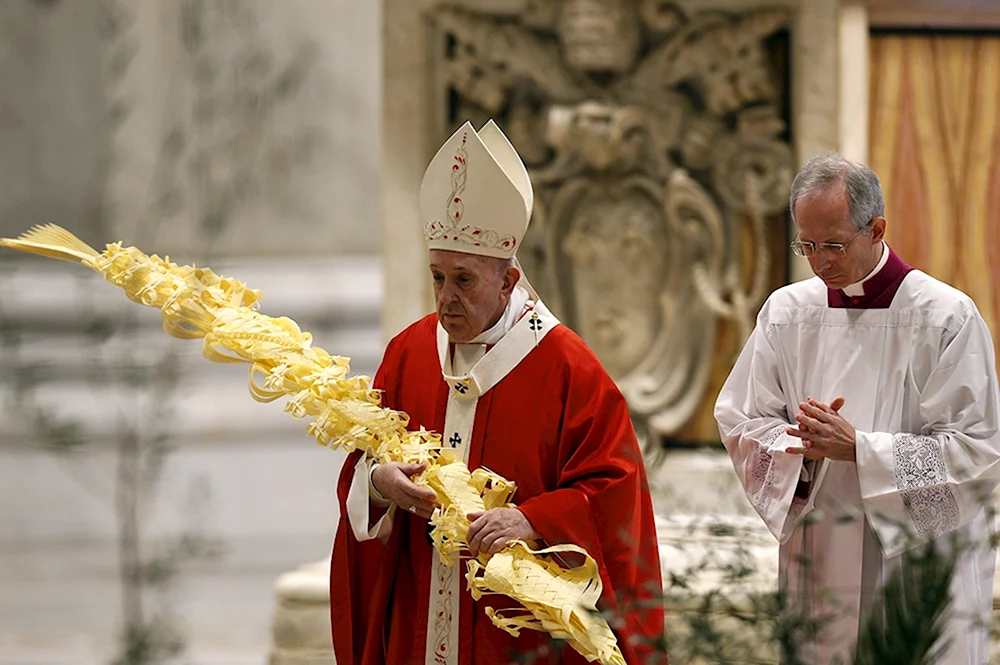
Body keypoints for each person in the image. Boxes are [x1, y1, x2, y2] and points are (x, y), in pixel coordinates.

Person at [330, 120, 666, 665]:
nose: (445, 299)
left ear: (508, 282)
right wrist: (379, 484)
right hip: (420, 618)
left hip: (515, 638)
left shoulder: (566, 368)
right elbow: (363, 463)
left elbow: (615, 491)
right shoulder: (408, 353)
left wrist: (534, 520)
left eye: (464, 280)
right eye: (437, 277)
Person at [715, 153, 1000, 664]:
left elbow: (978, 453)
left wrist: (861, 450)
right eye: (806, 246)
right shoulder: (786, 313)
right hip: (820, 553)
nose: (820, 261)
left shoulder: (945, 317)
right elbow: (740, 419)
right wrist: (797, 451)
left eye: (834, 245)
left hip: (914, 567)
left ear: (877, 229)